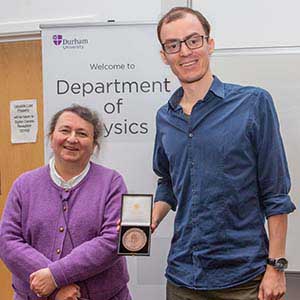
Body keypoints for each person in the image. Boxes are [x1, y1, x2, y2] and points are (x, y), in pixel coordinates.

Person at [152, 7, 296, 300]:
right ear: (164, 55)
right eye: (173, 45)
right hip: (182, 277)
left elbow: (276, 193)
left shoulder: (253, 103)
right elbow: (168, 182)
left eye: (193, 40)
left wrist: (276, 266)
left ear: (210, 44)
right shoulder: (164, 118)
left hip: (243, 279)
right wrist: (148, 220)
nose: (185, 52)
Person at [0, 105, 131, 300]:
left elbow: (114, 240)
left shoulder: (112, 183)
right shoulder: (24, 185)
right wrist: (53, 286)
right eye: (64, 130)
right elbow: (7, 240)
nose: (72, 139)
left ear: (94, 144)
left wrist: (55, 276)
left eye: (82, 133)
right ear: (51, 137)